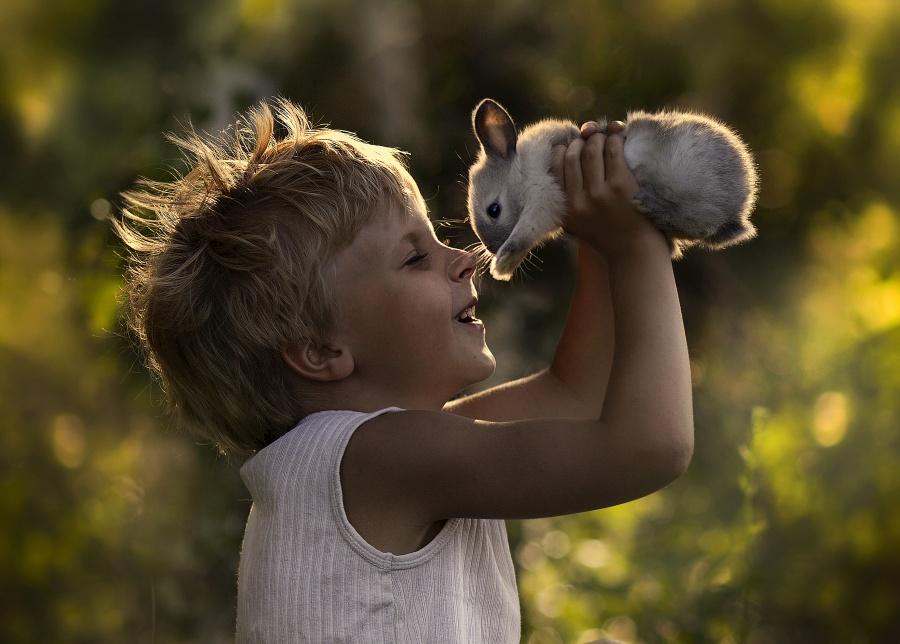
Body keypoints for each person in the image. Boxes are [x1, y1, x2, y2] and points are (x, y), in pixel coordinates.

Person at [112, 96, 694, 643]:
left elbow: (578, 396)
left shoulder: (386, 453)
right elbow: (649, 448)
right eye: (415, 256)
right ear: (319, 351)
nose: (465, 258)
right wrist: (635, 248)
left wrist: (591, 229)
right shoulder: (379, 458)